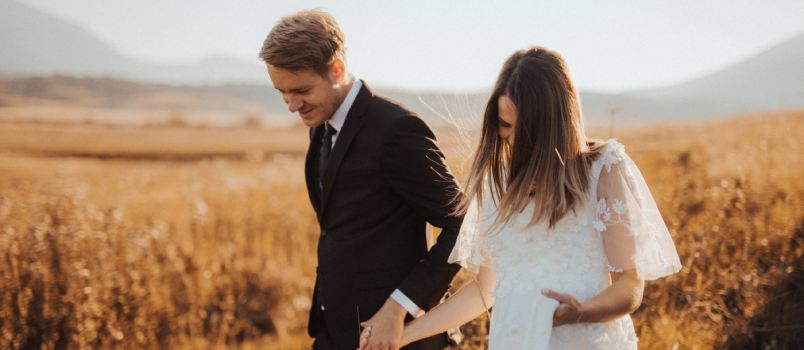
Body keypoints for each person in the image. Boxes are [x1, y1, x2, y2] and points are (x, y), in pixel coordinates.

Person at [380, 46, 682, 349]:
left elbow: (629, 286)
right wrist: (402, 337)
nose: (511, 139)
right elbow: (485, 291)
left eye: (525, 129)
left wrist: (581, 313)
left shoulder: (603, 170)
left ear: (553, 124)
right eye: (505, 125)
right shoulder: (497, 183)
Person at [258, 10, 463, 350]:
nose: (292, 105)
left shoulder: (396, 130)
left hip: (397, 338)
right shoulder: (320, 127)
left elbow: (463, 224)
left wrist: (399, 308)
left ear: (336, 70)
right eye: (282, 93)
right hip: (334, 332)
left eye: (301, 90)